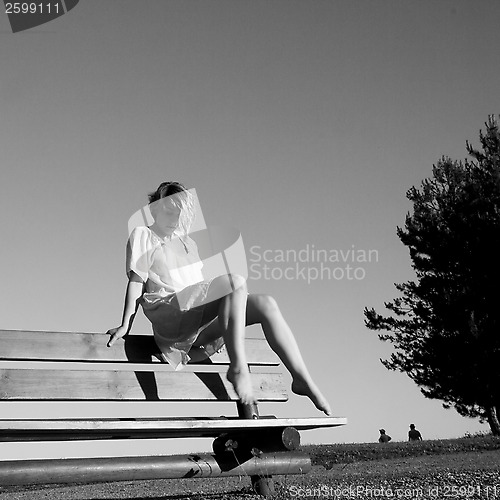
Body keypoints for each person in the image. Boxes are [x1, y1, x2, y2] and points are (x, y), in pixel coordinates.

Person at [107, 181, 331, 415]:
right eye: (168, 210)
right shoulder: (144, 234)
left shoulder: (188, 243)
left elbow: (200, 287)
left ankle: (301, 379)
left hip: (195, 318)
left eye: (179, 213)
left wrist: (225, 324)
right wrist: (126, 325)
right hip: (171, 313)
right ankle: (238, 368)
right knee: (234, 281)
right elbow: (136, 282)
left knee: (266, 303)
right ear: (154, 209)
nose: (174, 218)